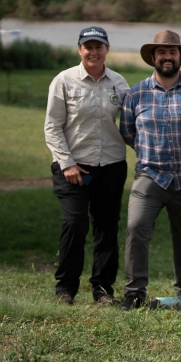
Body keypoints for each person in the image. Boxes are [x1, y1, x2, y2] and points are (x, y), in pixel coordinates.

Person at [119, 30, 181, 310]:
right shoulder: (136, 93)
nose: (167, 57)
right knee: (136, 227)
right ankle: (134, 292)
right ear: (153, 58)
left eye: (172, 52)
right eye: (162, 52)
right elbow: (127, 132)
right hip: (150, 177)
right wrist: (151, 153)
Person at [44, 26, 130, 306]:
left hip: (111, 166)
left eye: (99, 46)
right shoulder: (64, 80)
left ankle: (103, 290)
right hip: (73, 168)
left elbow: (131, 126)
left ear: (107, 50)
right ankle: (65, 288)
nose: (93, 52)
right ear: (79, 49)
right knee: (74, 224)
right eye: (88, 46)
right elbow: (52, 126)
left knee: (106, 227)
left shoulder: (119, 83)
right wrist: (67, 163)